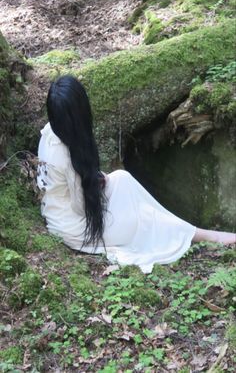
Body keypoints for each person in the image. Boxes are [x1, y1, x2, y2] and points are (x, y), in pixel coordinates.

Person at [37, 75, 236, 273]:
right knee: (140, 221)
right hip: (73, 225)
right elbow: (80, 207)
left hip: (62, 209)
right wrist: (97, 187)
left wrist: (99, 181)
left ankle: (194, 232)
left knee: (123, 179)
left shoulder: (50, 132)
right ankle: (204, 235)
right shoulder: (64, 157)